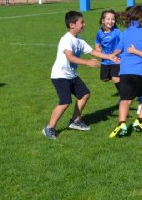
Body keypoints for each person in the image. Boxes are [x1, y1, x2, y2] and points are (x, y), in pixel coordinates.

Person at [43, 11, 114, 139]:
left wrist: (109, 56)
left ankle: (75, 121)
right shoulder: (66, 39)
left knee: (85, 94)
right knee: (65, 102)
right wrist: (87, 63)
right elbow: (70, 57)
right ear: (72, 25)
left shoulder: (79, 40)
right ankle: (49, 128)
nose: (84, 24)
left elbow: (92, 51)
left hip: (71, 75)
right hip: (60, 76)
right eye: (82, 22)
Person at [109, 5, 142, 138]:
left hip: (125, 71)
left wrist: (114, 54)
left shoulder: (126, 31)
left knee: (125, 99)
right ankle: (140, 121)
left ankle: (122, 124)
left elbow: (119, 48)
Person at [94, 9, 122, 98]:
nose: (110, 21)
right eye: (108, 19)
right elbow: (97, 44)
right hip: (105, 61)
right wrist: (98, 50)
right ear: (103, 20)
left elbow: (123, 42)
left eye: (112, 19)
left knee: (115, 78)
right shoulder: (99, 33)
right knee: (104, 79)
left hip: (116, 59)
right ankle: (125, 82)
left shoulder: (117, 32)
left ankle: (125, 95)